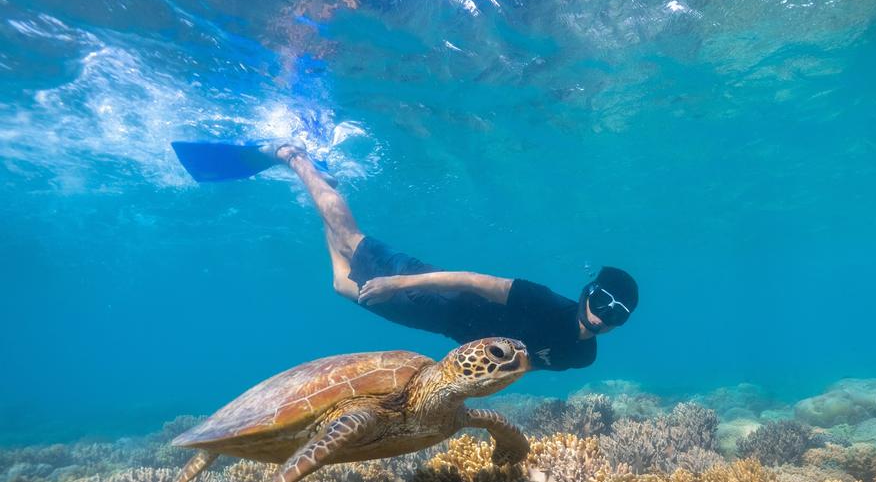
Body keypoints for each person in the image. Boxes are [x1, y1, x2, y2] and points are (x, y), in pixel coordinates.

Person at [268, 142, 638, 371]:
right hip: (439, 296)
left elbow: (525, 363)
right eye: (603, 302)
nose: (603, 318)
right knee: (350, 239)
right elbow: (470, 280)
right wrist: (397, 283)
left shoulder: (582, 357)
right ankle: (296, 158)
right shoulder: (544, 302)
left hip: (441, 325)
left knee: (341, 284)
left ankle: (326, 192)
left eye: (617, 315)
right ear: (588, 292)